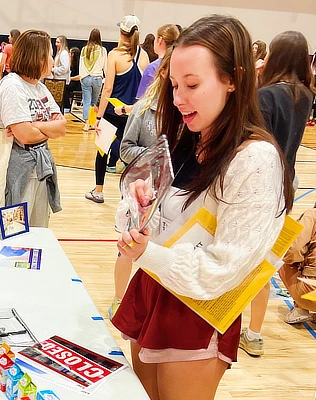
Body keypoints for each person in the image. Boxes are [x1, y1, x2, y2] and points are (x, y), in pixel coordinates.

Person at [112, 15, 294, 400]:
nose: (178, 98)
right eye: (174, 84)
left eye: (192, 85)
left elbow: (223, 269)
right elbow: (145, 220)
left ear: (233, 79)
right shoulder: (184, 138)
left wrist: (148, 252)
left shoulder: (254, 160)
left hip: (196, 309)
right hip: (153, 286)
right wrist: (138, 207)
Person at [239, 30, 316, 357]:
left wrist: (254, 85)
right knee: (265, 261)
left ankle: (226, 324)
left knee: (242, 259)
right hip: (288, 182)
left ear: (276, 56)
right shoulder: (305, 94)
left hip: (260, 183)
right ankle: (254, 333)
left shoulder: (266, 96)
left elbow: (250, 136)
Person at [108, 50, 172, 319]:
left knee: (162, 252)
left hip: (173, 198)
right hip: (141, 195)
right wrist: (155, 160)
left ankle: (153, 306)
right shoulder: (144, 108)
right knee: (127, 248)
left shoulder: (191, 114)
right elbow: (125, 148)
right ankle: (119, 299)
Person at [0, 29, 66, 227]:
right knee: (14, 232)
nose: (53, 61)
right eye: (50, 56)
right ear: (37, 57)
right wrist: (43, 128)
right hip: (16, 172)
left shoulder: (40, 87)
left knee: (37, 232)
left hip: (40, 169)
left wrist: (36, 125)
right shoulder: (12, 86)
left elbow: (62, 127)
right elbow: (24, 135)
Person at [85, 15, 149, 203]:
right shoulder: (144, 56)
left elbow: (108, 88)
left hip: (113, 112)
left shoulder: (114, 55)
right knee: (131, 156)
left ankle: (98, 191)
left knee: (102, 151)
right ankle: (129, 197)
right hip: (133, 114)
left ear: (121, 33)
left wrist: (99, 116)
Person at [278, 208, 316, 324]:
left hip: (311, 292)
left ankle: (301, 309)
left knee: (281, 258)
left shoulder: (312, 215)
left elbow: (295, 249)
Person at [136, 24, 179, 100]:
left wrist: (124, 109)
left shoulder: (152, 68)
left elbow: (141, 100)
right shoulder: (178, 65)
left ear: (160, 40)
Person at [79, 28, 107, 131]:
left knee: (86, 101)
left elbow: (81, 65)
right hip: (97, 79)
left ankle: (86, 124)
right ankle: (93, 123)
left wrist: (82, 77)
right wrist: (107, 78)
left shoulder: (84, 49)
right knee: (94, 103)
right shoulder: (103, 50)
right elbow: (105, 66)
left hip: (86, 78)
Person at [64, 46, 81, 112]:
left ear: (73, 54)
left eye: (69, 53)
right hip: (72, 82)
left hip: (77, 84)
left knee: (65, 88)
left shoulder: (78, 64)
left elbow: (80, 76)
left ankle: (67, 106)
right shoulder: (71, 62)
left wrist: (70, 78)